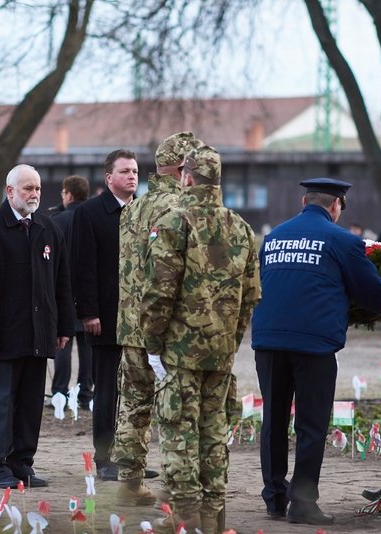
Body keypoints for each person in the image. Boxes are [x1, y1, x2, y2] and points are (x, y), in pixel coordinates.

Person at [139, 145, 261, 533]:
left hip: (179, 352)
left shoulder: (175, 221)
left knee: (178, 435)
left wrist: (152, 344)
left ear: (186, 177)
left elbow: (159, 292)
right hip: (220, 353)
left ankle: (185, 518)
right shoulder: (240, 227)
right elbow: (250, 297)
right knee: (213, 437)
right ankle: (212, 517)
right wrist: (230, 341)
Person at [251, 178, 381, 526]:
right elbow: (373, 295)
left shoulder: (274, 236)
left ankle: (275, 499)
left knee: (274, 421)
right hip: (312, 345)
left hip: (268, 341)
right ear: (337, 205)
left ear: (303, 201)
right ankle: (303, 503)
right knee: (311, 425)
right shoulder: (343, 241)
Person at [0, 164, 75, 489]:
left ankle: (22, 463)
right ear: (10, 191)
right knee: (3, 402)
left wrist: (64, 326)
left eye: (38, 189)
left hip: (39, 333)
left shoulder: (48, 228)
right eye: (28, 188)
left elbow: (62, 282)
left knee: (30, 403)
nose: (35, 194)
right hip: (3, 335)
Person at [112, 132, 203, 506]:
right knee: (175, 410)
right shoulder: (183, 207)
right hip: (167, 330)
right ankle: (177, 489)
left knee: (133, 405)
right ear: (185, 169)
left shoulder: (134, 207)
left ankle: (129, 482)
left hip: (131, 326)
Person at [70, 149, 139, 481]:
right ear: (108, 177)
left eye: (135, 171)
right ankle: (104, 458)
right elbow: (82, 265)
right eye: (124, 171)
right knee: (107, 389)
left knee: (135, 391)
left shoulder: (142, 211)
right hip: (106, 316)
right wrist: (89, 312)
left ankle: (130, 456)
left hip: (139, 319)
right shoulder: (91, 212)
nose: (132, 176)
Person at [49, 175, 93, 414]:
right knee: (88, 349)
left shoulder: (58, 220)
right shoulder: (92, 217)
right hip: (88, 291)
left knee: (62, 344)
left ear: (68, 194)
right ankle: (86, 392)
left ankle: (60, 391)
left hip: (63, 290)